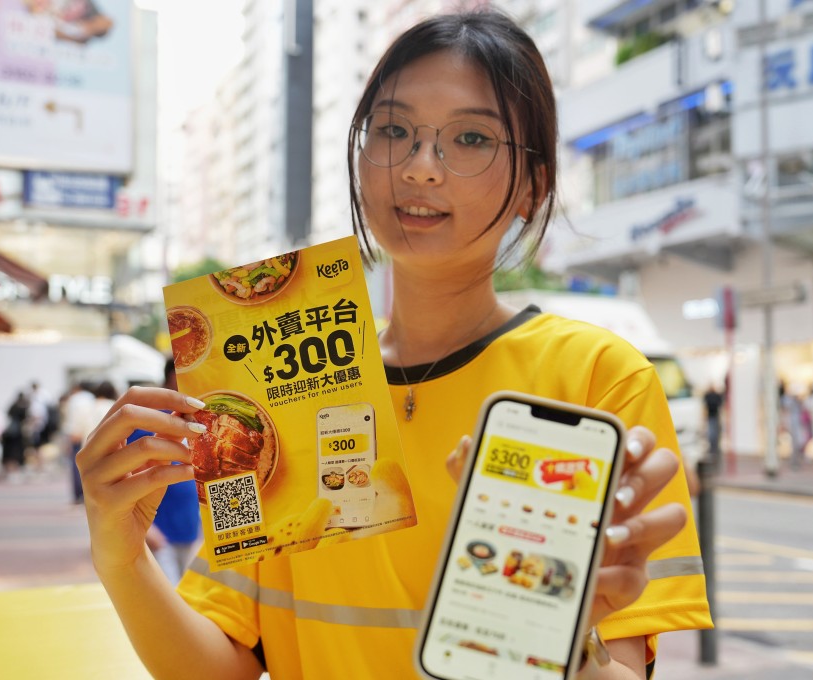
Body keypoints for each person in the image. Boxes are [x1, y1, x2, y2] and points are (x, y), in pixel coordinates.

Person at [77, 10, 710, 679]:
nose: (420, 167)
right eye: (394, 131)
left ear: (534, 184)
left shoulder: (597, 380)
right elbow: (218, 667)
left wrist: (562, 632)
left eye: (470, 138)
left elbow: (624, 667)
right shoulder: (272, 384)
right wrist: (119, 557)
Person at [128, 359, 202, 585]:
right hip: (159, 533)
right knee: (171, 596)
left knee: (188, 598)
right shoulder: (149, 420)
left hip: (189, 529)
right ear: (171, 378)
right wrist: (149, 532)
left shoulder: (200, 421)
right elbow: (127, 474)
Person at [64, 381, 96, 503]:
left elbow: (73, 418)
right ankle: (87, 492)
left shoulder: (75, 399)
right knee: (88, 465)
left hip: (77, 434)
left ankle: (78, 494)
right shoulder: (91, 398)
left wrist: (73, 433)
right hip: (89, 434)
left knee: (76, 464)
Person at [1, 392, 31, 478]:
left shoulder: (13, 406)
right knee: (14, 452)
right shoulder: (22, 407)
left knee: (11, 452)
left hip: (12, 433)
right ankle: (13, 469)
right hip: (16, 434)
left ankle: (11, 469)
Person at [703, 383, 723, 462]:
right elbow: (705, 407)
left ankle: (715, 448)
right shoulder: (708, 396)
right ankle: (713, 448)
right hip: (711, 417)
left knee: (715, 433)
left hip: (715, 416)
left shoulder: (716, 395)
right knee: (712, 433)